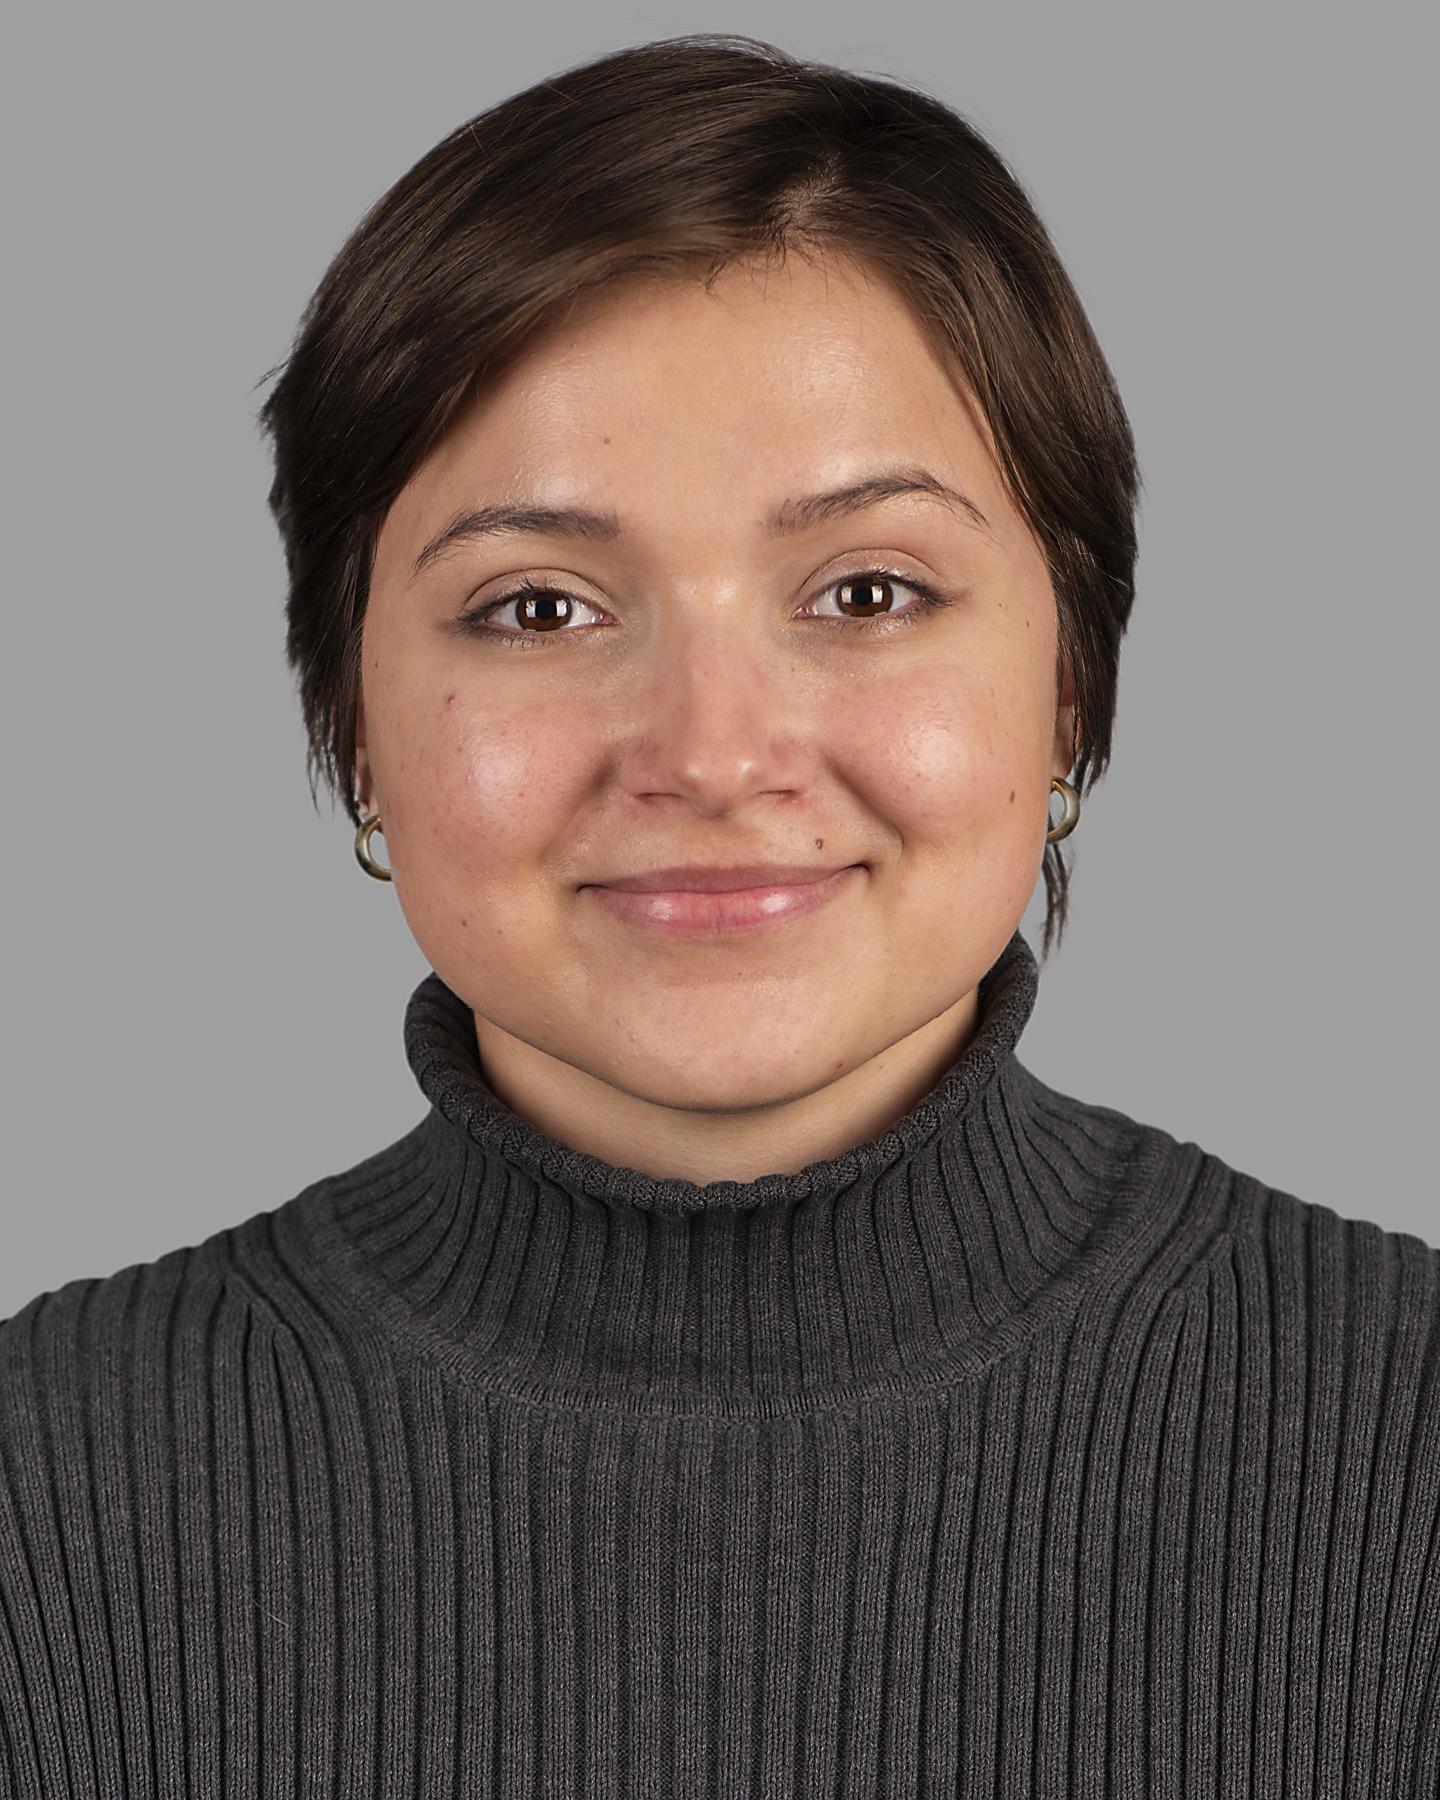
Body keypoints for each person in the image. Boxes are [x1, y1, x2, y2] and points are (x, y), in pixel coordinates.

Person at [2, 32, 1435, 1798]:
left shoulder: (1409, 1440)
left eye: (867, 588)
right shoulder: (39, 1496)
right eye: (536, 610)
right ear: (347, 719)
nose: (710, 754)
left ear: (1070, 683)